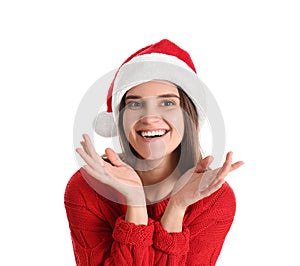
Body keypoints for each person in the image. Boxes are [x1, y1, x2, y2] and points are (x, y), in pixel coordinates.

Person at [64, 39, 244, 266]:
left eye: (167, 103)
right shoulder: (86, 189)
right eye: (135, 104)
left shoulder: (214, 198)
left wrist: (176, 208)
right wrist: (135, 204)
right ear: (119, 120)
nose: (149, 118)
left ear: (188, 116)